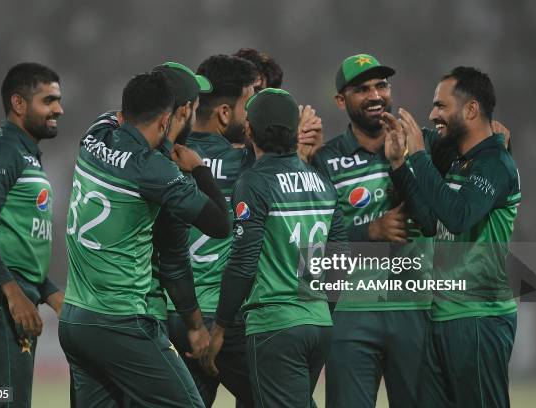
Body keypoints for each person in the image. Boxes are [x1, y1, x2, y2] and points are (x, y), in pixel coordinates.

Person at [58, 70, 230, 407]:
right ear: (172, 117)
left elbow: (121, 118)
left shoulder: (97, 132)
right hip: (122, 321)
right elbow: (220, 225)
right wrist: (199, 169)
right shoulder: (154, 170)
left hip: (75, 320)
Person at [201, 88, 348, 407]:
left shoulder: (253, 183)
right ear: (296, 131)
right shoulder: (323, 183)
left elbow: (243, 261)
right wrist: (320, 311)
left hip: (275, 326)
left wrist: (221, 328)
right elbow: (340, 258)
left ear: (249, 130)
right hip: (318, 323)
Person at [383, 66, 520, 408]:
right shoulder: (461, 164)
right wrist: (400, 167)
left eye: (441, 106)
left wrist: (418, 155)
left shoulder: (495, 164)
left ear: (471, 109)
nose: (433, 115)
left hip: (478, 318)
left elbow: (458, 217)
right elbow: (433, 222)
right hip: (443, 314)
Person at [310, 54, 437, 408]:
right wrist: (370, 231)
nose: (375, 95)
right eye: (362, 88)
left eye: (381, 85)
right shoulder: (326, 159)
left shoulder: (420, 142)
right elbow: (314, 243)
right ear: (341, 100)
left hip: (413, 304)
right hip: (353, 310)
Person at [0, 62, 65, 407]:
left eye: (58, 100)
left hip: (16, 296)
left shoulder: (26, 154)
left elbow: (19, 243)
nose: (59, 109)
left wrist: (48, 292)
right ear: (19, 104)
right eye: (48, 100)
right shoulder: (1, 150)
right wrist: (14, 293)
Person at [165, 54, 259, 408]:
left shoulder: (165, 157)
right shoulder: (249, 165)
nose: (251, 116)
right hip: (224, 320)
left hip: (176, 313)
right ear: (224, 113)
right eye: (249, 103)